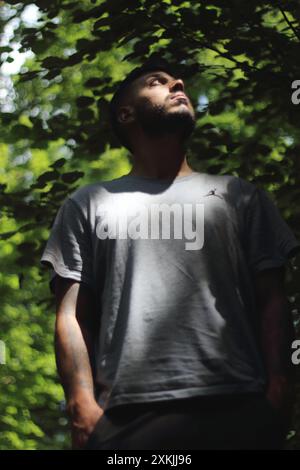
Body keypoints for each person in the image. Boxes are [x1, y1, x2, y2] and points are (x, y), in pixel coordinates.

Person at [40, 60, 300, 450]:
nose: (178, 83)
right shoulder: (89, 204)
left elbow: (273, 301)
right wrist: (81, 404)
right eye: (157, 82)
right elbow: (72, 315)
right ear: (126, 113)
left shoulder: (241, 197)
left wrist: (279, 391)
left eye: (177, 81)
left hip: (237, 407)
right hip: (126, 417)